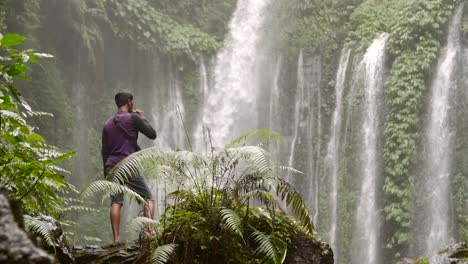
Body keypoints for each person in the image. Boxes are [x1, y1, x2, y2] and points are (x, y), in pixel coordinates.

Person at [101, 91, 157, 242]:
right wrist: (142, 118)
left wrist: (106, 172)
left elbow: (104, 151)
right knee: (148, 198)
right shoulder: (134, 118)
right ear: (130, 102)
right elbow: (152, 134)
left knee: (116, 202)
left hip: (111, 165)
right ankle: (148, 232)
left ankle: (116, 239)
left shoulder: (107, 124)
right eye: (133, 101)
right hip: (128, 164)